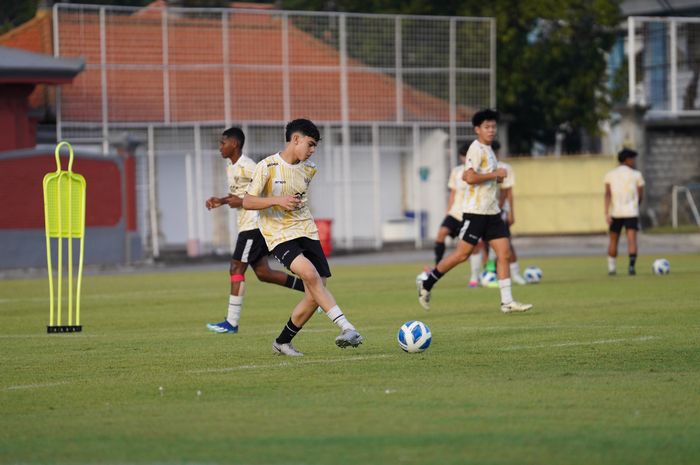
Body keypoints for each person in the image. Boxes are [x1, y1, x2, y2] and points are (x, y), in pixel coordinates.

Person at [243, 119, 363, 356]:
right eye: (310, 144)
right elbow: (247, 201)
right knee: (309, 274)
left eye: (315, 146)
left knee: (315, 294)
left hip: (307, 231)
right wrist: (278, 200)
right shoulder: (266, 166)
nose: (312, 150)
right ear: (295, 139)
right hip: (278, 234)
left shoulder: (310, 169)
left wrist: (290, 202)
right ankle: (346, 327)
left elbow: (297, 199)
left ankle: (282, 342)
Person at [417, 109, 533, 314]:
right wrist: (495, 174)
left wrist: (496, 177)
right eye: (487, 127)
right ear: (477, 129)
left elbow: (485, 178)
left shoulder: (488, 150)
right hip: (475, 212)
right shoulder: (476, 149)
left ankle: (507, 302)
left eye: (493, 127)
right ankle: (427, 283)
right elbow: (468, 177)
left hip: (492, 211)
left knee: (504, 253)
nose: (491, 130)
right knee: (462, 255)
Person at [205, 127, 306, 334]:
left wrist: (245, 201)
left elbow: (267, 187)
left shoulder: (249, 166)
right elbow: (240, 195)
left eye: (222, 143)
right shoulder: (231, 167)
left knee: (236, 268)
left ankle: (231, 323)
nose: (220, 148)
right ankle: (311, 290)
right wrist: (222, 201)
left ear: (234, 144)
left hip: (253, 225)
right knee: (263, 273)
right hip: (246, 225)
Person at [470, 140, 527, 286]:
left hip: (498, 211)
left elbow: (507, 192)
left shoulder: (504, 167)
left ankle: (515, 273)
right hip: (481, 210)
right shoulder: (481, 167)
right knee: (482, 243)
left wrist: (508, 212)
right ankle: (487, 273)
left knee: (506, 242)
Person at [604, 148, 645, 275]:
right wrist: (636, 205)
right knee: (632, 239)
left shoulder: (610, 174)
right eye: (632, 159)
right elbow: (640, 194)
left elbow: (607, 194)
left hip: (616, 212)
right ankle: (631, 267)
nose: (633, 161)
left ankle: (612, 268)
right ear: (627, 159)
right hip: (631, 212)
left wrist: (606, 212)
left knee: (613, 239)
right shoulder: (636, 174)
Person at [433, 143, 470, 265]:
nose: (465, 159)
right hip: (455, 213)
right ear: (460, 157)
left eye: (467, 156)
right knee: (441, 233)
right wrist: (448, 211)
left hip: (470, 213)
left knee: (475, 246)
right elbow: (453, 192)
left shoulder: (477, 171)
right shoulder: (456, 171)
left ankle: (483, 271)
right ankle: (438, 264)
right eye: (463, 156)